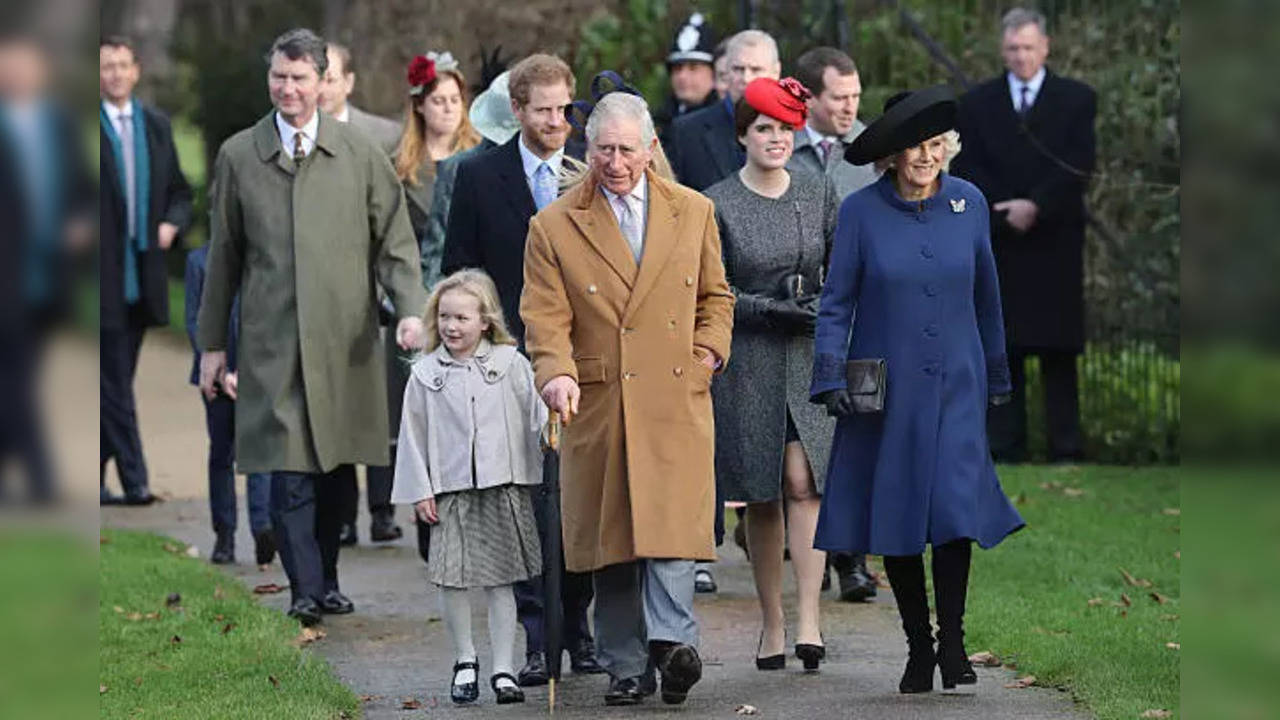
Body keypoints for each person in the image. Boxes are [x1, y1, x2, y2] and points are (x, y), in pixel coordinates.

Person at [196, 28, 426, 627]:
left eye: (299, 78)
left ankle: (326, 577)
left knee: (335, 472)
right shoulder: (239, 155)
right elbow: (221, 258)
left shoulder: (360, 155)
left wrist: (409, 309)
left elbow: (396, 244)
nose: (287, 88)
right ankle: (303, 588)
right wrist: (213, 346)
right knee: (290, 467)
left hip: (344, 342)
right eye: (279, 76)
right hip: (272, 344)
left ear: (323, 81)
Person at [520, 91, 735, 706]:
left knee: (669, 527)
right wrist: (554, 373)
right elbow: (544, 315)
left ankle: (671, 648)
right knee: (612, 538)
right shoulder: (554, 225)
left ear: (650, 150)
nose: (613, 162)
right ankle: (624, 664)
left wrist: (707, 353)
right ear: (588, 149)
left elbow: (717, 297)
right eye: (602, 149)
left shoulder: (693, 211)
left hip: (674, 391)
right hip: (599, 395)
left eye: (624, 150)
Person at [811, 85, 1025, 693]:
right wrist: (830, 375)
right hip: (889, 389)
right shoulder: (861, 213)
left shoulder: (970, 203)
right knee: (899, 512)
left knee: (954, 512)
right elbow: (836, 303)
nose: (927, 156)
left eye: (936, 145)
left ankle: (953, 644)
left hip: (959, 382)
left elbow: (988, 295)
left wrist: (997, 371)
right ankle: (917, 649)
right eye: (914, 147)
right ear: (892, 156)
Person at [442, 53, 601, 685]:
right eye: (544, 110)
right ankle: (539, 637)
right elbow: (462, 269)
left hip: (579, 361)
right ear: (518, 111)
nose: (558, 121)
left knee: (579, 498)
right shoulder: (479, 177)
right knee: (526, 503)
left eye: (566, 109)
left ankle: (581, 629)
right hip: (506, 366)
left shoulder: (588, 174)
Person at [705, 76, 836, 673]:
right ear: (743, 136)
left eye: (785, 129)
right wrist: (763, 307)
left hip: (807, 352)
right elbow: (714, 289)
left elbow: (840, 266)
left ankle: (809, 617)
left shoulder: (818, 191)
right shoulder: (717, 203)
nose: (776, 139)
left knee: (804, 480)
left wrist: (819, 301)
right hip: (750, 359)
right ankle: (772, 623)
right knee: (761, 492)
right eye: (764, 129)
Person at [392, 269, 544, 706]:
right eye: (444, 317)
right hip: (451, 492)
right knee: (452, 579)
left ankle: (502, 668)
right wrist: (421, 490)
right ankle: (464, 660)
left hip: (503, 487)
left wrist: (551, 432)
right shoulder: (424, 374)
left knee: (501, 581)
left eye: (461, 317)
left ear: (485, 321)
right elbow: (412, 435)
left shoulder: (511, 365)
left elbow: (535, 418)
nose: (451, 326)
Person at [951, 7, 1096, 463]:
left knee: (1058, 352)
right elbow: (969, 167)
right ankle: (1005, 444)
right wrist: (1003, 211)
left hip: (1055, 239)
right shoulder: (976, 104)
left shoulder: (1077, 99)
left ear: (1046, 47)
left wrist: (1038, 205)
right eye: (1013, 48)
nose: (1021, 57)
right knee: (1003, 345)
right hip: (1002, 240)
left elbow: (1079, 163)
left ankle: (1065, 445)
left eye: (1029, 48)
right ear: (1002, 49)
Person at [789, 45, 880, 603]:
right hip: (798, 315)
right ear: (808, 99)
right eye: (838, 98)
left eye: (855, 98)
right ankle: (808, 553)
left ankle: (854, 559)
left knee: (858, 432)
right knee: (807, 444)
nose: (849, 108)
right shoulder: (782, 147)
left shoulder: (873, 152)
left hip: (863, 313)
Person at [320, 41, 408, 547]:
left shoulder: (384, 135)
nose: (326, 86)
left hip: (378, 286)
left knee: (380, 399)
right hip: (327, 289)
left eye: (332, 77)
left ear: (348, 82)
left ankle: (381, 506)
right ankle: (345, 512)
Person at [100, 35, 193, 505]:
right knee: (113, 380)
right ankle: (136, 482)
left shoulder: (155, 125)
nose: (114, 74)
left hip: (144, 275)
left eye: (122, 65)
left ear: (136, 70)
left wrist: (170, 225)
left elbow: (180, 190)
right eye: (105, 66)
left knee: (114, 381)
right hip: (95, 279)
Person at [184, 244, 274, 566]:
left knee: (259, 451)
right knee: (221, 453)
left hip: (257, 374)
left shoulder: (262, 257)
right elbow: (195, 321)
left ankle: (263, 527)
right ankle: (224, 534)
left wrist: (249, 370)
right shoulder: (199, 260)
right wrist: (220, 368)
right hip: (215, 375)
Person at [666, 29, 781, 191]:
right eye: (738, 69)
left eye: (756, 70)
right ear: (726, 72)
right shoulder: (687, 132)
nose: (746, 79)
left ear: (776, 72)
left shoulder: (796, 130)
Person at [318, 42, 401, 153]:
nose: (322, 90)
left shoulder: (386, 136)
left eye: (330, 80)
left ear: (348, 82)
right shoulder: (292, 134)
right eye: (317, 80)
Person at [654, 13, 720, 147]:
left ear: (714, 74)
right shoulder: (658, 121)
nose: (682, 76)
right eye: (677, 68)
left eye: (693, 68)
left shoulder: (726, 123)